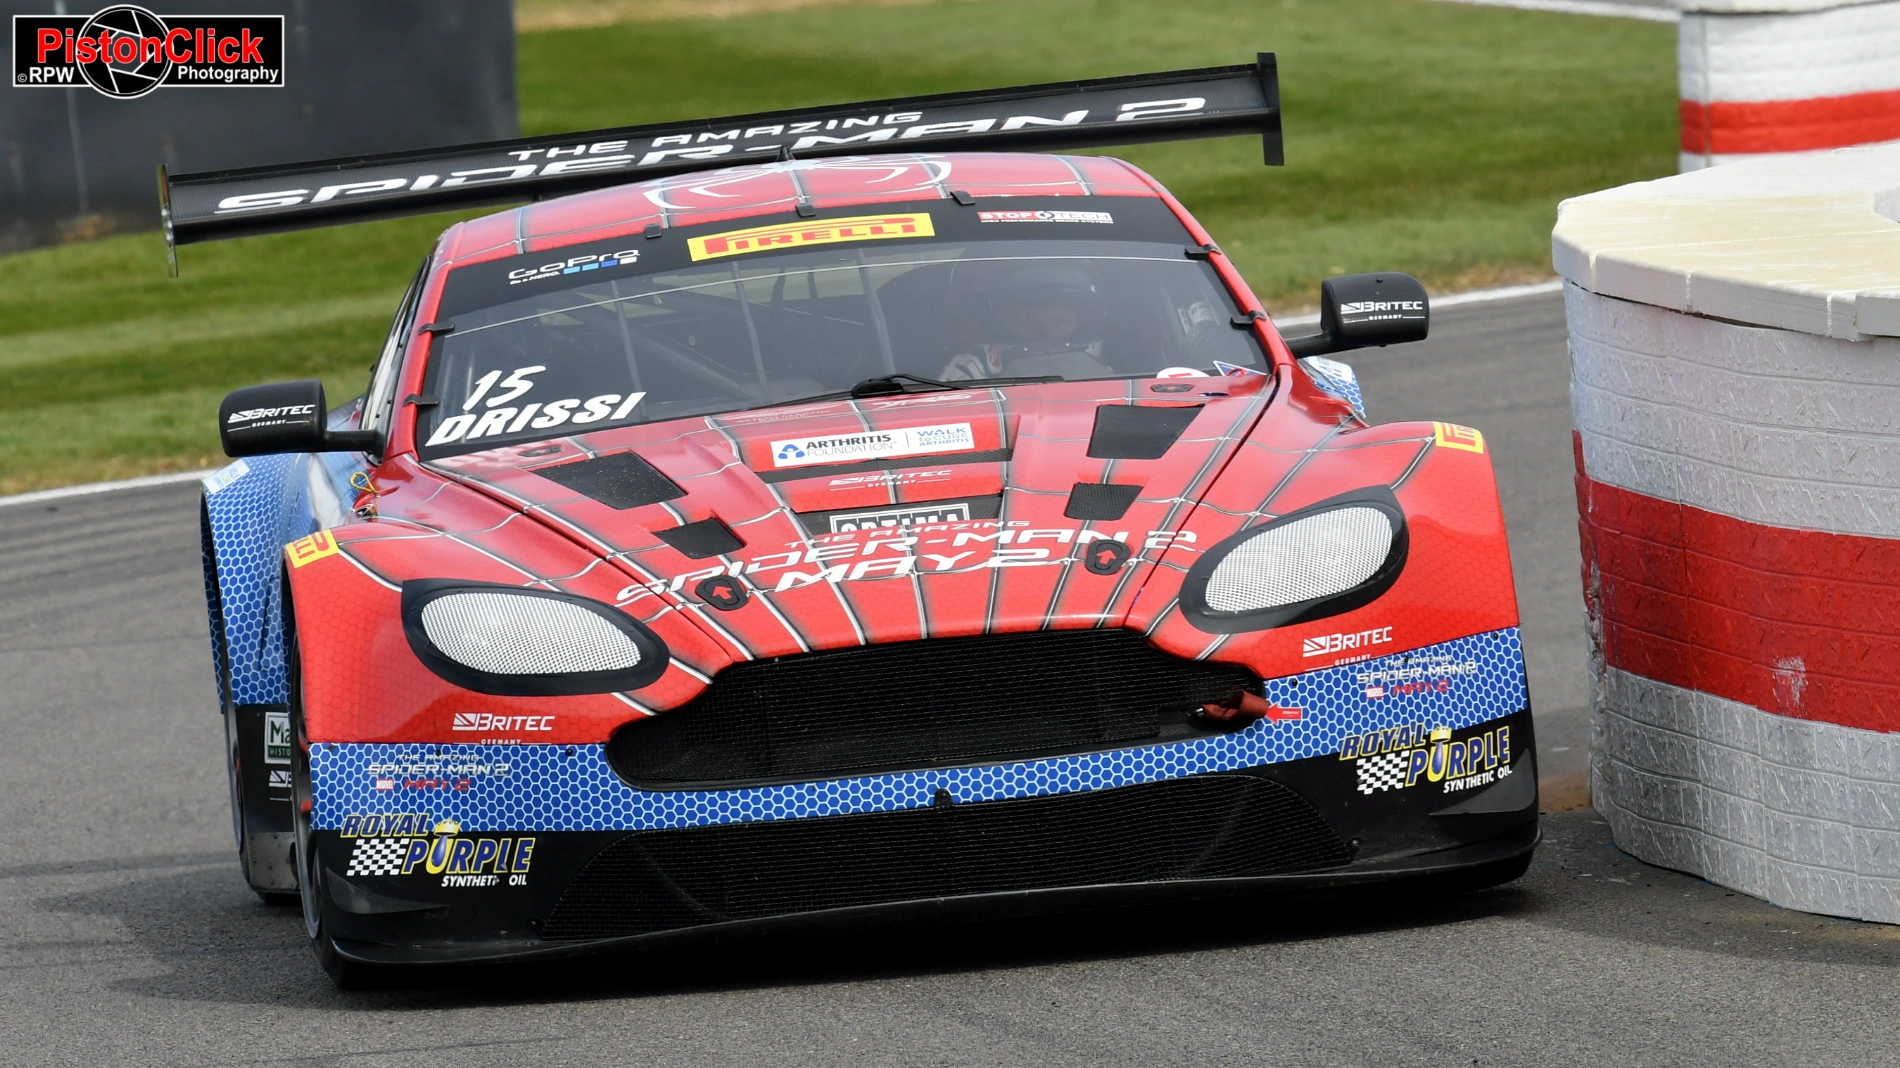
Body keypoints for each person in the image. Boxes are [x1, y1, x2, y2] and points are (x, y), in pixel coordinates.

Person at [938, 263, 1113, 381]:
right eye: (1028, 324)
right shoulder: (970, 369)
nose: (1048, 335)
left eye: (1059, 323)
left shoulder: (1115, 371)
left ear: (1080, 323)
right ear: (1003, 325)